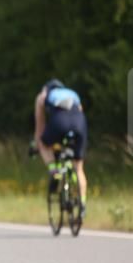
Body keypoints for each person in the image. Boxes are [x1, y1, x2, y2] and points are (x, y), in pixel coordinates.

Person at [34, 78, 88, 215]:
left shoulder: (43, 95)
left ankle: (55, 172)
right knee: (79, 168)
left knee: (43, 144)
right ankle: (82, 204)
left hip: (59, 122)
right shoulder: (72, 93)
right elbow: (80, 112)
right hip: (79, 123)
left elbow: (40, 126)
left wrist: (37, 144)